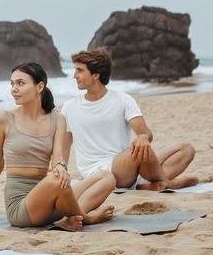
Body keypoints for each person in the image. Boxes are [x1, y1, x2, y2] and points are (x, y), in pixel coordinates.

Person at [0, 62, 115, 231]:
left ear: (39, 86)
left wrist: (61, 167)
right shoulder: (3, 119)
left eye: (20, 83)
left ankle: (70, 216)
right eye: (12, 83)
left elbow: (57, 158)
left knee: (107, 177)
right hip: (22, 207)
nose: (14, 89)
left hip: (51, 197)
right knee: (56, 180)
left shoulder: (57, 119)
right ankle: (85, 218)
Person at [63, 48, 198, 191]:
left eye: (79, 70)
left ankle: (150, 184)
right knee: (140, 151)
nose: (74, 75)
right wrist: (59, 171)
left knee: (186, 149)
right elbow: (63, 148)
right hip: (100, 174)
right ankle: (168, 183)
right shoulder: (69, 107)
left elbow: (145, 133)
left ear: (96, 75)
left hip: (130, 166)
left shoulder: (123, 100)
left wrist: (143, 137)